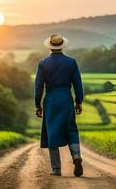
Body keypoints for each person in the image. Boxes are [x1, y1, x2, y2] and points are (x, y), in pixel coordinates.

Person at [35, 34, 84, 177]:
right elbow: (78, 84)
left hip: (51, 100)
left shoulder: (43, 63)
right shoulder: (71, 62)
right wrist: (79, 101)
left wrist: (38, 104)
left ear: (49, 47)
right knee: (71, 128)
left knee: (52, 132)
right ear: (62, 46)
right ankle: (76, 156)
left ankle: (56, 169)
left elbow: (38, 86)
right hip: (66, 99)